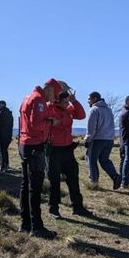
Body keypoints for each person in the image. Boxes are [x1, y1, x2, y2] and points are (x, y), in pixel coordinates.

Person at [18, 81, 60, 238]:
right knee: (35, 186)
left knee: (26, 184)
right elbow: (36, 124)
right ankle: (37, 227)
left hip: (24, 144)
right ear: (49, 89)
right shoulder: (38, 100)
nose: (53, 98)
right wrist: (50, 121)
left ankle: (25, 223)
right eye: (54, 94)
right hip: (35, 145)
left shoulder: (27, 98)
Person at [47, 87, 93, 218]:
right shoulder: (50, 108)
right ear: (57, 100)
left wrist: (74, 101)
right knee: (54, 181)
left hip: (67, 149)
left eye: (68, 102)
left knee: (73, 179)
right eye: (65, 101)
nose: (67, 104)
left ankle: (77, 207)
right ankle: (53, 209)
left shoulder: (68, 109)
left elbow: (81, 115)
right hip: (54, 150)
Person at [84, 91, 122, 190]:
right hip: (109, 139)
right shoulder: (109, 110)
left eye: (89, 99)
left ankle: (94, 182)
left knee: (91, 160)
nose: (88, 101)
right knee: (104, 160)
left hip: (97, 139)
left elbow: (91, 127)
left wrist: (87, 139)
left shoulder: (94, 109)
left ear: (95, 98)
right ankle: (115, 176)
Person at [0, 100, 14, 172]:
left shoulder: (1, 113)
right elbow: (11, 125)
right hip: (8, 135)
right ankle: (7, 164)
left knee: (1, 151)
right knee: (5, 150)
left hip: (2, 135)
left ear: (1, 105)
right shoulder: (10, 113)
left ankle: (3, 166)